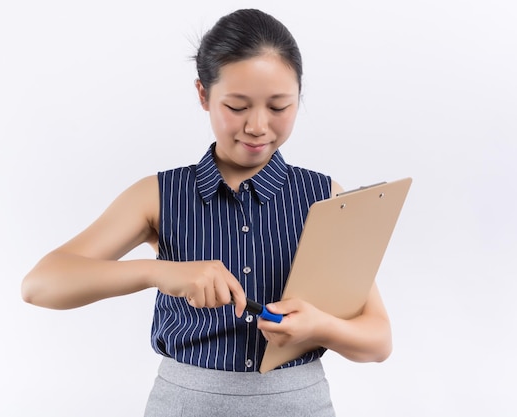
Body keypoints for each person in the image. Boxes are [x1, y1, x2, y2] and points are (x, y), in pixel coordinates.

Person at [21, 8, 392, 417]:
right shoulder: (158, 195)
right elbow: (40, 285)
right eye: (237, 106)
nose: (257, 126)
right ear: (203, 94)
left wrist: (320, 327)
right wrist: (159, 272)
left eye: (279, 106)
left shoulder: (324, 197)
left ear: (299, 96)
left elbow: (377, 340)